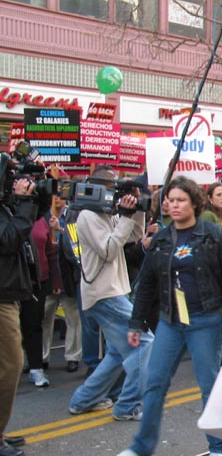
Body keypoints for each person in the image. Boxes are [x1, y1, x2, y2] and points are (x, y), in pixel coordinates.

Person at [115, 176, 222, 456]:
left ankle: (220, 446)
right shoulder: (161, 239)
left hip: (206, 320)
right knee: (154, 383)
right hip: (170, 321)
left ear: (194, 203)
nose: (174, 205)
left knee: (209, 385)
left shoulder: (212, 234)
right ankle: (143, 446)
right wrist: (136, 323)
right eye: (170, 200)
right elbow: (146, 285)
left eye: (180, 200)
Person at [68, 167, 154, 421]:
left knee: (117, 352)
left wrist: (136, 209)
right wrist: (125, 217)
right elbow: (108, 251)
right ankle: (127, 404)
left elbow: (134, 236)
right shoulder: (87, 216)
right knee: (145, 342)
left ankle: (83, 400)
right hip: (104, 292)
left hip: (114, 290)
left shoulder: (107, 214)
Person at [0, 177, 39, 456]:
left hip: (9, 293)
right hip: (1, 297)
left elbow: (24, 227)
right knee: (11, 364)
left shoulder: (6, 206)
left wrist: (33, 198)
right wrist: (24, 202)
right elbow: (9, 240)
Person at [42, 195, 82, 373]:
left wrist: (60, 229)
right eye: (53, 196)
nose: (56, 199)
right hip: (49, 277)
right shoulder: (43, 215)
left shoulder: (74, 214)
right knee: (44, 318)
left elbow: (78, 240)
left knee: (73, 319)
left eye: (60, 196)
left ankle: (73, 356)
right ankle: (42, 357)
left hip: (67, 277)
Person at [20, 212, 56, 387]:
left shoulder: (42, 217)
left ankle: (36, 368)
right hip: (11, 281)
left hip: (37, 281)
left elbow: (50, 251)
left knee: (34, 324)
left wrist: (53, 280)